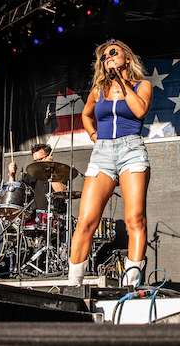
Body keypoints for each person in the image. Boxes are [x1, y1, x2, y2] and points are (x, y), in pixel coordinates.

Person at [68, 39, 153, 287]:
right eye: (104, 56)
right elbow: (85, 115)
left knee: (135, 218)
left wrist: (123, 83)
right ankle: (73, 285)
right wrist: (94, 136)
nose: (109, 58)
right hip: (103, 152)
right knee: (86, 220)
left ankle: (131, 284)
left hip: (132, 149)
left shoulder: (141, 85)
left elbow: (140, 111)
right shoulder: (98, 90)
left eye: (113, 53)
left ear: (127, 58)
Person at [6, 143, 67, 217]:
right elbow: (15, 191)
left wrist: (50, 169)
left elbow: (61, 191)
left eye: (40, 159)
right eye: (35, 161)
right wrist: (12, 175)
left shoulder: (60, 172)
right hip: (36, 218)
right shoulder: (33, 174)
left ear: (49, 156)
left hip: (56, 217)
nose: (38, 163)